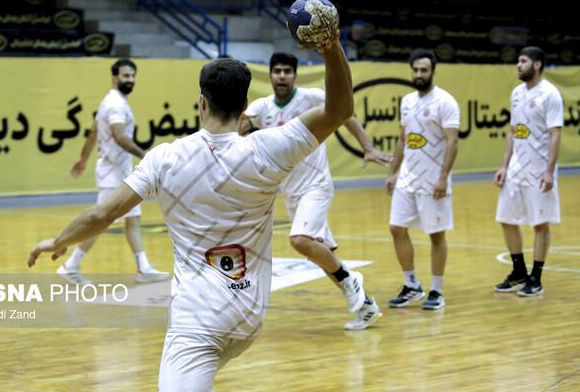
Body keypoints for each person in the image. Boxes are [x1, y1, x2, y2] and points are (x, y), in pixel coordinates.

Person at [28, 31, 356, 390]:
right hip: (249, 316)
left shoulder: (165, 158)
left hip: (198, 322)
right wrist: (331, 47)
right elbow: (340, 110)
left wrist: (58, 241)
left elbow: (101, 215)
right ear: (245, 104)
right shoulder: (269, 149)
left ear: (201, 102)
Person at [239, 52, 391, 330]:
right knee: (325, 256)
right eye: (277, 71)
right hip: (291, 193)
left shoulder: (312, 98)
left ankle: (352, 279)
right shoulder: (261, 108)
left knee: (300, 240)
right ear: (270, 75)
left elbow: (345, 114)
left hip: (316, 186)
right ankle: (367, 307)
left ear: (295, 75)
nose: (282, 76)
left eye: (287, 71)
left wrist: (368, 147)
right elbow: (237, 129)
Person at [60, 58, 166, 285]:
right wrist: (145, 155)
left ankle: (143, 268)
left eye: (133, 76)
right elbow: (119, 137)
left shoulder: (109, 101)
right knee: (100, 222)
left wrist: (83, 158)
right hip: (113, 174)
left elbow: (93, 133)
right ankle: (71, 265)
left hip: (119, 172)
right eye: (126, 75)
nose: (131, 79)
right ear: (114, 78)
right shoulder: (115, 104)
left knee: (132, 220)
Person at [385, 49, 460, 310]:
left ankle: (436, 291)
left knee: (436, 235)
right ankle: (411, 285)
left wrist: (443, 178)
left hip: (433, 181)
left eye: (424, 70)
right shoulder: (407, 101)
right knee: (396, 228)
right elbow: (402, 139)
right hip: (407, 178)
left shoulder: (445, 102)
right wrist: (392, 172)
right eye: (415, 70)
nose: (419, 74)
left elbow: (452, 143)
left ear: (433, 72)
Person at [493, 46, 563, 297]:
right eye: (518, 61)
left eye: (523, 61)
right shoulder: (516, 93)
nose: (518, 65)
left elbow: (555, 134)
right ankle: (519, 272)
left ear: (537, 64)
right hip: (515, 170)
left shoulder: (550, 94)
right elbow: (513, 132)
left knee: (540, 225)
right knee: (506, 220)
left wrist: (549, 171)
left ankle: (536, 278)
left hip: (539, 171)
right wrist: (504, 166)